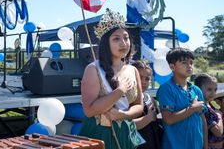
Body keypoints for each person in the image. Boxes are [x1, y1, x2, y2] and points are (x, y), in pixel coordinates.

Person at [79, 8, 144, 149]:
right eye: (116, 39)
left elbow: (139, 106)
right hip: (99, 133)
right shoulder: (93, 69)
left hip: (126, 132)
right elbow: (89, 110)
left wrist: (122, 114)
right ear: (105, 43)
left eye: (126, 38)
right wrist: (120, 91)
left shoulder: (133, 70)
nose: (123, 43)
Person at [156, 47, 208, 149]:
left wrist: (205, 146)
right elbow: (168, 119)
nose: (189, 66)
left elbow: (202, 120)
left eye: (191, 63)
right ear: (172, 67)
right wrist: (192, 108)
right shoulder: (166, 89)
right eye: (184, 63)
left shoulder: (196, 90)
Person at [132, 60, 163, 149]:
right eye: (139, 77)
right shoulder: (125, 100)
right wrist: (148, 118)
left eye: (147, 79)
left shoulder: (151, 99)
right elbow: (123, 126)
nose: (143, 81)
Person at [194, 73, 223, 149]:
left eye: (215, 89)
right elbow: (218, 132)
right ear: (198, 89)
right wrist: (219, 116)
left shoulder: (210, 105)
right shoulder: (203, 108)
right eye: (209, 89)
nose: (213, 93)